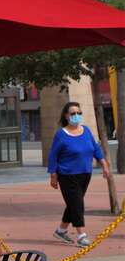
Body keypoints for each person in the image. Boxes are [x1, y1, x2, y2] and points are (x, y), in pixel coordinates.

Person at [48, 101, 111, 248]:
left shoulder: (86, 131)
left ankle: (61, 230)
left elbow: (95, 149)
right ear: (66, 116)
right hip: (67, 175)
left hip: (85, 174)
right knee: (77, 204)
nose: (76, 116)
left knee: (73, 204)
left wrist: (104, 164)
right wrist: (53, 175)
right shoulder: (61, 135)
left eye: (79, 113)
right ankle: (81, 235)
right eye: (73, 113)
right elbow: (53, 156)